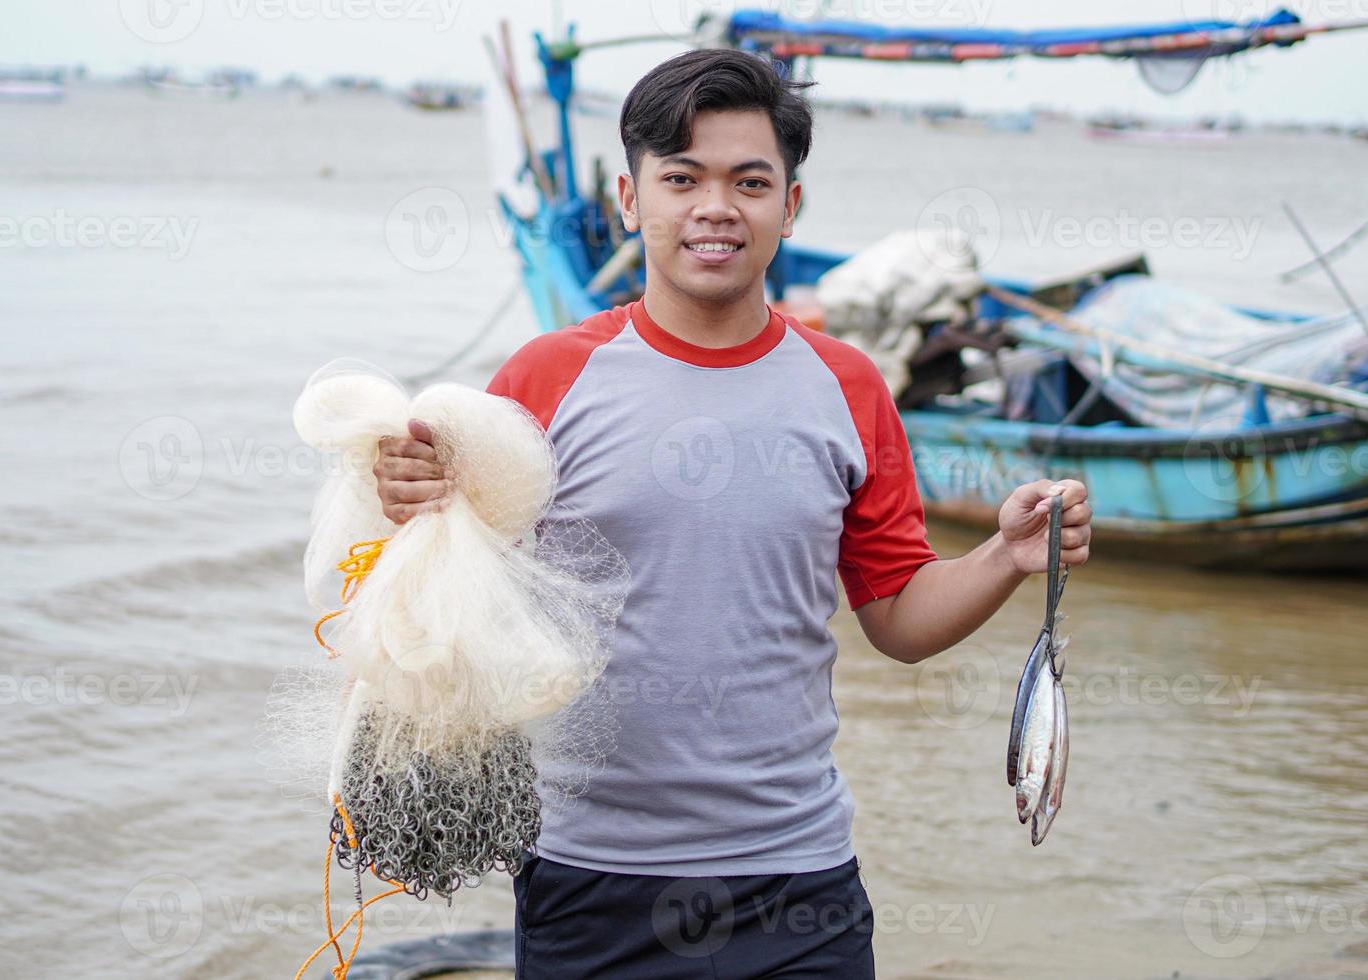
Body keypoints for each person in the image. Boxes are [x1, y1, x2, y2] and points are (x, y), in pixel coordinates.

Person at [372, 47, 1092, 980]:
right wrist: (413, 506)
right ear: (631, 203)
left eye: (750, 181)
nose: (716, 206)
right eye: (681, 178)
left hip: (800, 880)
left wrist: (1002, 556)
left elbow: (900, 619)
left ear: (790, 207)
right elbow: (455, 602)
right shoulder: (544, 380)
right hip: (589, 875)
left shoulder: (849, 386)